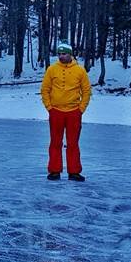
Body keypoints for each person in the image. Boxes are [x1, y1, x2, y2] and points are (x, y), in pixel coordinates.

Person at [40, 41, 91, 181]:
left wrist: (81, 109)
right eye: (59, 54)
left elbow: (86, 91)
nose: (61, 56)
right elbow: (45, 90)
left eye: (64, 54)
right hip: (56, 111)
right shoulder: (52, 69)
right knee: (55, 142)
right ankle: (54, 170)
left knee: (73, 143)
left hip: (74, 111)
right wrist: (49, 107)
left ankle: (74, 171)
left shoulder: (80, 70)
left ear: (70, 55)